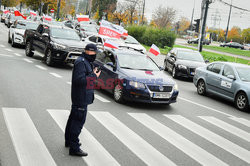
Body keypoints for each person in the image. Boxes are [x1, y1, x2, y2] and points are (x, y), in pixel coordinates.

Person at [65, 44, 101, 157]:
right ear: (89, 52)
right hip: (80, 97)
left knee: (73, 120)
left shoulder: (85, 61)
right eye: (95, 53)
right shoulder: (81, 62)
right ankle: (74, 148)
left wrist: (92, 72)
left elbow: (85, 77)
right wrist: (94, 76)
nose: (96, 55)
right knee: (77, 122)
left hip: (81, 97)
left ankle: (69, 142)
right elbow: (79, 80)